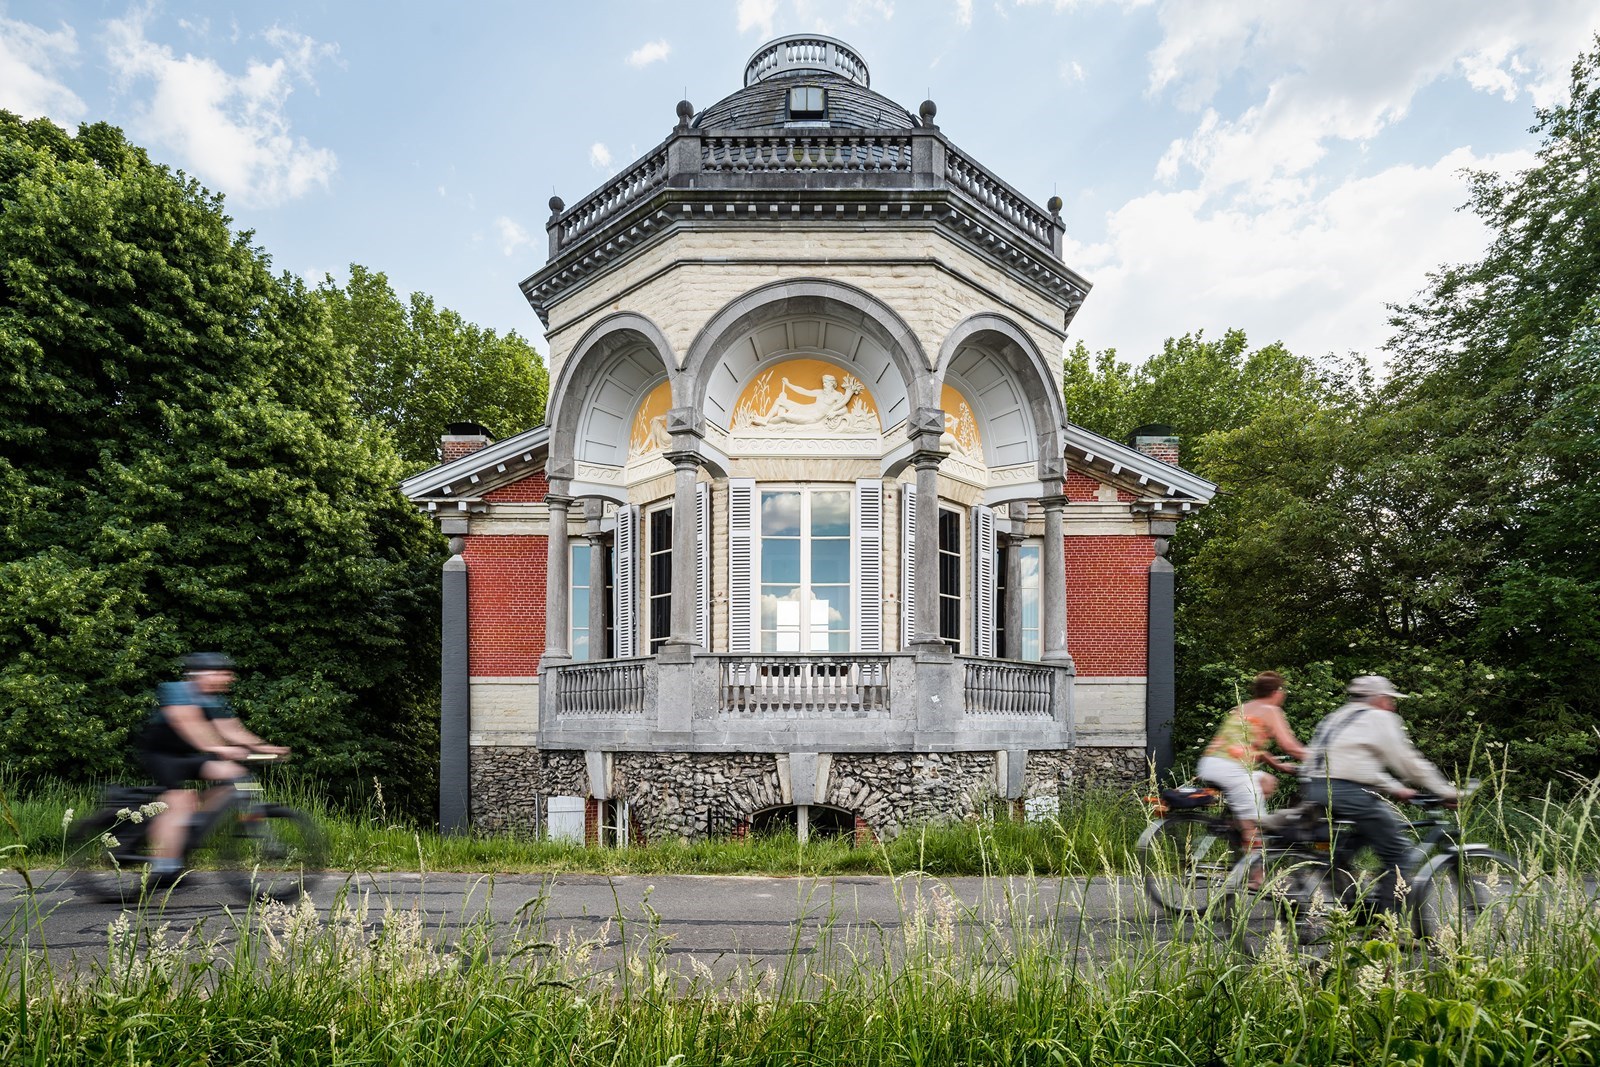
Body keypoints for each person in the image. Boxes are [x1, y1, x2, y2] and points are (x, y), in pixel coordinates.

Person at [1300, 674, 1458, 915]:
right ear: (1378, 698)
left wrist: (1395, 788)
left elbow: (1355, 763)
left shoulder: (1337, 716)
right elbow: (1407, 761)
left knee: (1354, 840)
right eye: (1389, 699)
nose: (1392, 705)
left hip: (1314, 787)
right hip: (1349, 792)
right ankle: (1385, 922)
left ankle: (1343, 882)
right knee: (1398, 852)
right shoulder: (1378, 717)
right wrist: (1445, 791)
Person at [138, 652, 288, 884]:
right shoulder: (177, 690)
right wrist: (215, 747)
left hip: (185, 756)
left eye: (228, 674)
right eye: (221, 673)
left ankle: (193, 824)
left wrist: (265, 747)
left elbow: (233, 730)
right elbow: (185, 721)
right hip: (161, 755)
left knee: (236, 774)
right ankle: (164, 869)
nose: (228, 678)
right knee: (179, 802)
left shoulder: (214, 700)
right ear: (200, 674)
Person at [1196, 671, 1308, 884]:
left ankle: (1237, 826)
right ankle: (1257, 878)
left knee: (1267, 781)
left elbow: (1251, 746)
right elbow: (1290, 746)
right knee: (1258, 824)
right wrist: (1319, 759)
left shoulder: (1243, 707)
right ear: (1276, 692)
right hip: (1231, 770)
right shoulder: (1271, 710)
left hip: (1210, 764)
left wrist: (1277, 765)